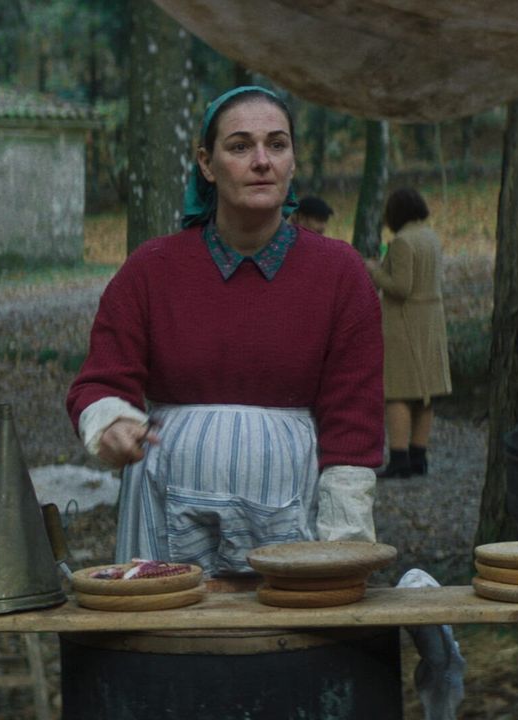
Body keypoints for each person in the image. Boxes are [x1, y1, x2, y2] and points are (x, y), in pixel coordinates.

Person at [66, 86, 384, 575]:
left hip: (294, 511)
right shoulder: (153, 268)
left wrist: (344, 546)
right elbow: (100, 381)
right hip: (163, 509)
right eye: (240, 146)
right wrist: (110, 423)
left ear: (293, 161)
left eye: (277, 145)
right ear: (206, 164)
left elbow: (353, 418)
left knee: (287, 641)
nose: (262, 160)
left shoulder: (339, 273)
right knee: (169, 640)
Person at [364, 188, 452, 477]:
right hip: (431, 321)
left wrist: (373, 269)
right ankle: (419, 456)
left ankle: (400, 459)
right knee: (426, 392)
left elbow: (401, 287)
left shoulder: (402, 242)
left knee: (398, 392)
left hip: (404, 323)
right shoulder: (430, 236)